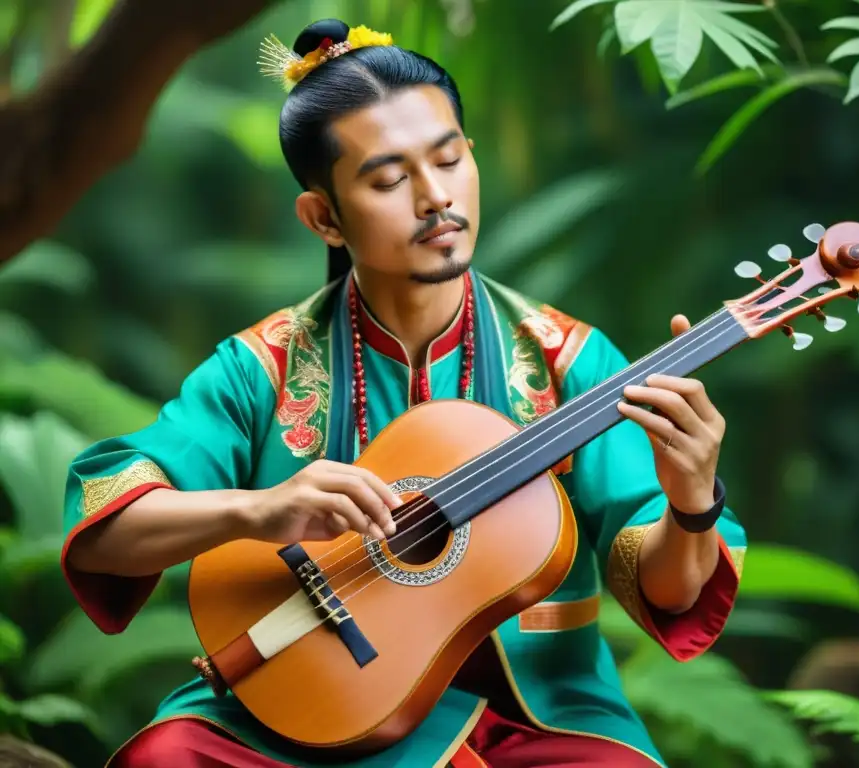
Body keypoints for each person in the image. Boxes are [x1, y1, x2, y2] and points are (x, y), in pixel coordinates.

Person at [60, 18, 747, 768]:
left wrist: (691, 503)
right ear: (324, 217)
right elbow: (107, 528)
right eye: (389, 180)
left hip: (529, 718)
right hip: (304, 704)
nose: (434, 198)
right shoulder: (263, 367)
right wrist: (259, 509)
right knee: (163, 758)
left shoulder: (568, 363)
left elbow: (673, 593)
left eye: (450, 161)